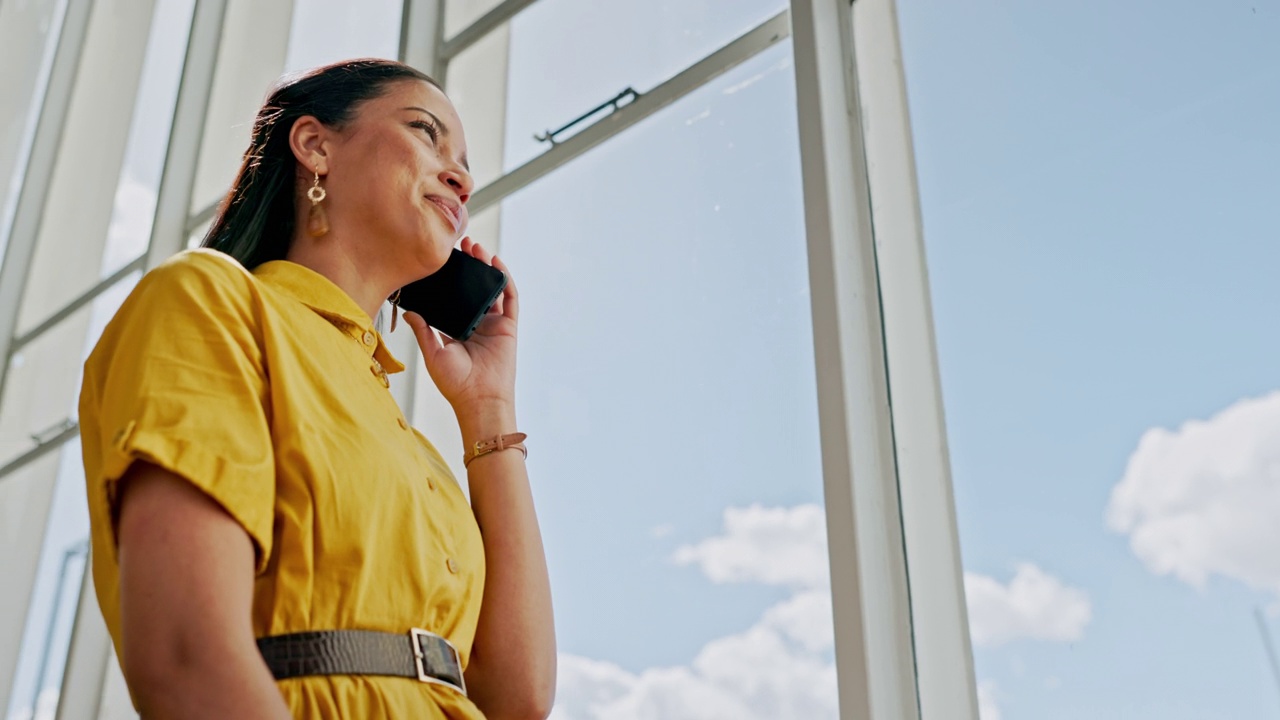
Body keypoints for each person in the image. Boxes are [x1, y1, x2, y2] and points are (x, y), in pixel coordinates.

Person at [78, 58, 555, 719]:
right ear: (314, 146)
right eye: (426, 133)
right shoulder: (208, 303)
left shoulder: (417, 453)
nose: (462, 176)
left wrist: (488, 408)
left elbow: (518, 700)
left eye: (466, 162)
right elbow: (188, 658)